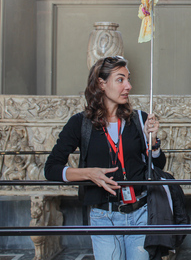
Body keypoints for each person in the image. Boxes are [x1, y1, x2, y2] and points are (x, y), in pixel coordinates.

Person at [45, 56, 166, 260]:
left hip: (140, 213)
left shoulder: (139, 119)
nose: (128, 85)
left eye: (128, 79)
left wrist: (152, 143)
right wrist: (88, 174)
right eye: (120, 80)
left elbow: (158, 164)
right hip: (103, 217)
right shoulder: (79, 124)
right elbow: (51, 169)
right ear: (101, 83)